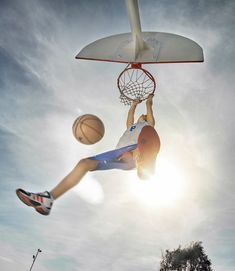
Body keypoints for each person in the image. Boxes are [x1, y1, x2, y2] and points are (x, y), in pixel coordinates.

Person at [16, 94, 160, 215]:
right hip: (119, 153)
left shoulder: (148, 127)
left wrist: (148, 102)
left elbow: (150, 112)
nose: (145, 115)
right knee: (84, 164)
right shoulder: (131, 126)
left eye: (146, 116)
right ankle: (48, 199)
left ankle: (142, 162)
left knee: (143, 144)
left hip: (135, 148)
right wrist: (134, 104)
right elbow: (130, 116)